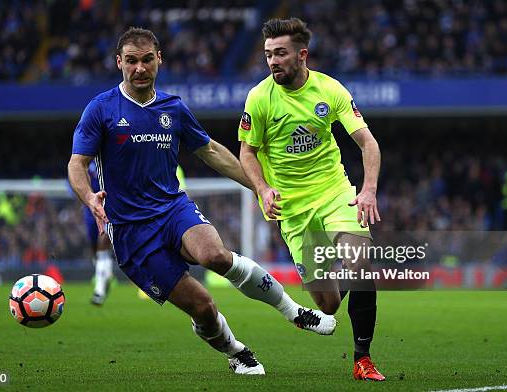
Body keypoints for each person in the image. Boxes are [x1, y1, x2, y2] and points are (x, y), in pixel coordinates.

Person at [67, 26, 337, 376]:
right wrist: (88, 196)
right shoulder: (100, 110)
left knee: (216, 255)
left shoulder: (173, 108)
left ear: (159, 60)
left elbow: (210, 150)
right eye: (131, 61)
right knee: (204, 307)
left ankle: (294, 312)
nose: (139, 69)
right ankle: (237, 351)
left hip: (171, 208)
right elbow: (77, 163)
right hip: (132, 232)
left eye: (147, 60)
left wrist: (259, 187)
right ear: (119, 62)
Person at [238, 18, 385, 381]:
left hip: (335, 193)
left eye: (281, 54)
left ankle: (362, 360)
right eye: (268, 54)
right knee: (329, 304)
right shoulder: (259, 98)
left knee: (361, 264)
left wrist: (367, 190)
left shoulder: (329, 89)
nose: (273, 61)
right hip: (292, 208)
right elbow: (247, 152)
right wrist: (263, 188)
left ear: (302, 54)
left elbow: (368, 142)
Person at [83, 161, 114, 306]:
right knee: (95, 248)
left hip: (110, 205)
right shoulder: (84, 158)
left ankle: (99, 291)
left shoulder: (110, 155)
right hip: (90, 208)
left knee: (103, 241)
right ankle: (104, 273)